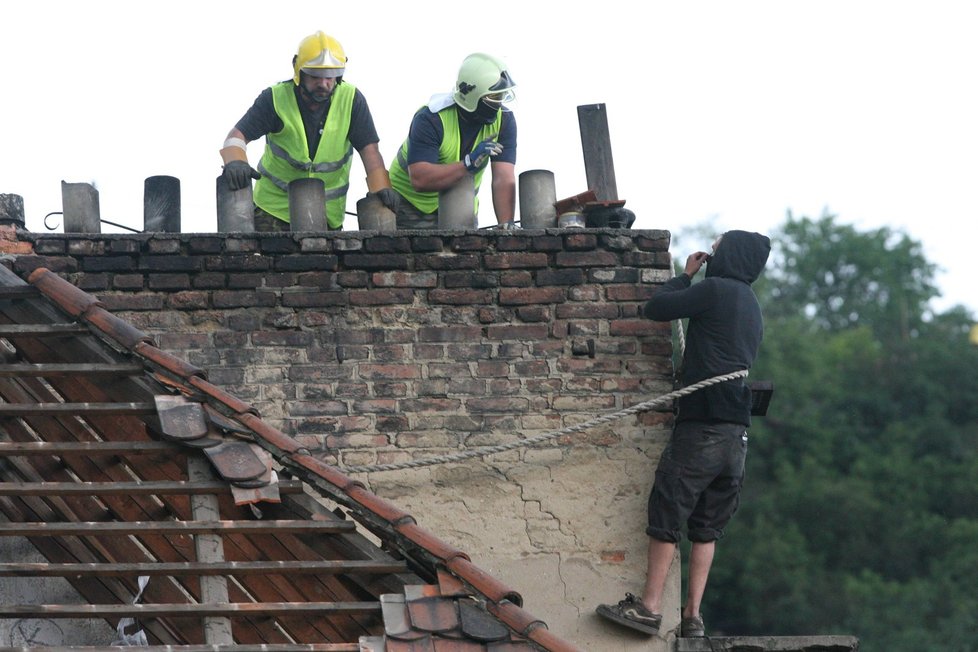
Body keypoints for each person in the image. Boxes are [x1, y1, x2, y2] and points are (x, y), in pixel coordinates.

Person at [596, 230, 771, 639]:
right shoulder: (752, 305)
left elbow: (657, 307)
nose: (711, 252)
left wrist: (685, 276)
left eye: (717, 247)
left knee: (668, 509)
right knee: (707, 524)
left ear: (729, 256)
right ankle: (693, 617)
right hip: (736, 433)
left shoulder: (715, 290)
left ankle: (649, 608)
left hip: (704, 424)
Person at [219, 31, 398, 231]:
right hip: (274, 211)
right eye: (315, 76)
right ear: (299, 72)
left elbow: (369, 150)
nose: (323, 83)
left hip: (326, 214)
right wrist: (235, 160)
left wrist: (381, 186)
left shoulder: (351, 100)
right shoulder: (275, 98)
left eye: (330, 77)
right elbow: (236, 136)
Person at [388, 52, 517, 229]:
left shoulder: (504, 121)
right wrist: (468, 164)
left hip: (460, 205)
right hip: (410, 205)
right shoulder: (431, 118)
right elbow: (420, 179)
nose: (500, 103)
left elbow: (503, 178)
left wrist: (506, 224)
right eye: (495, 97)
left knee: (465, 255)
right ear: (473, 95)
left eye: (502, 96)